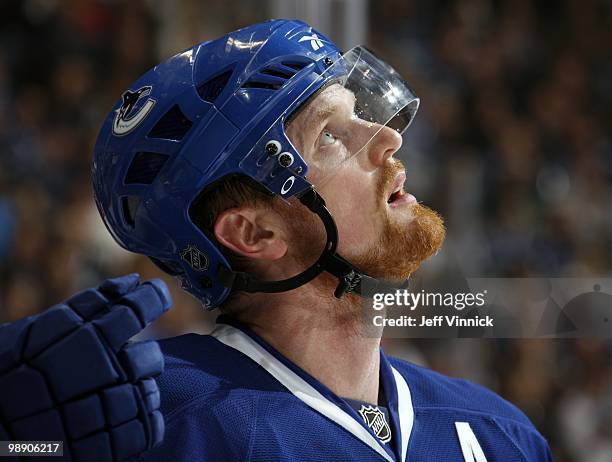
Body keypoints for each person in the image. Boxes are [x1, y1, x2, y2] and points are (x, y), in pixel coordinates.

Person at [0, 19, 552, 461]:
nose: (387, 137)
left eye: (360, 114)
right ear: (253, 232)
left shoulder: (501, 433)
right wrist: (16, 444)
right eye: (332, 135)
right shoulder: (150, 419)